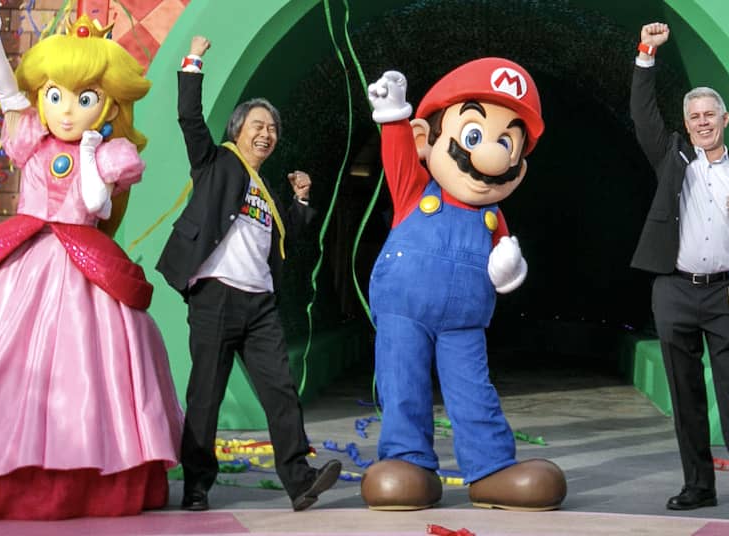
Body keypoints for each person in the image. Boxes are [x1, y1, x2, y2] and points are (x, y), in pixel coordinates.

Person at [0, 13, 183, 520]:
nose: (66, 110)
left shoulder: (111, 154)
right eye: (56, 95)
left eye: (85, 98)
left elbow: (96, 204)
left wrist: (91, 153)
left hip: (84, 265)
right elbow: (9, 94)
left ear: (108, 104)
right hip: (20, 254)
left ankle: (87, 468)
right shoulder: (32, 139)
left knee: (88, 365)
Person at [358, 59, 566, 512]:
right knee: (403, 382)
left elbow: (505, 266)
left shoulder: (492, 217)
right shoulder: (416, 190)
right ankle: (406, 460)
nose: (493, 155)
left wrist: (508, 267)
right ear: (425, 140)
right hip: (404, 310)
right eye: (474, 135)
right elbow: (397, 157)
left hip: (465, 320)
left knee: (473, 390)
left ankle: (491, 468)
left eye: (507, 143)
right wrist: (393, 115)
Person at [155, 35, 340, 513]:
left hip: (259, 303)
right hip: (215, 296)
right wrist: (194, 60)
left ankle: (300, 481)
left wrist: (299, 199)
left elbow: (286, 235)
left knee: (280, 390)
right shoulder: (215, 161)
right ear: (238, 130)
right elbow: (189, 118)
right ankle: (196, 486)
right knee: (206, 395)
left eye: (273, 128)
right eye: (258, 125)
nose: (267, 133)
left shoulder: (266, 191)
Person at [629, 22, 729, 520]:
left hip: (726, 295)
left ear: (725, 119)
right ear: (687, 123)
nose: (702, 123)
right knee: (686, 394)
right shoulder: (673, 156)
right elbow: (643, 115)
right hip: (675, 290)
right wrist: (646, 54)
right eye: (694, 116)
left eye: (709, 115)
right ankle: (699, 485)